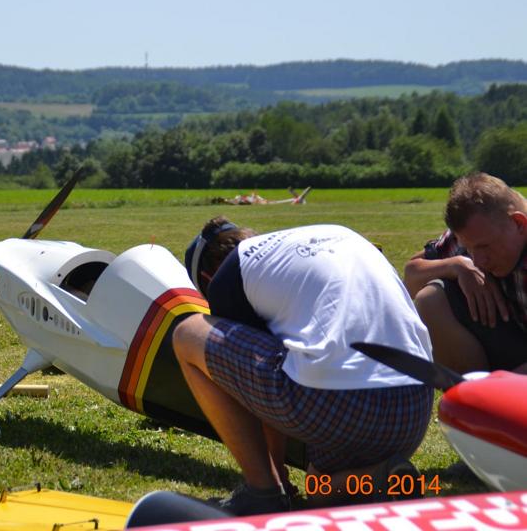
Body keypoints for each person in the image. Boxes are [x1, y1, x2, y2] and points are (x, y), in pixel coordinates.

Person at [172, 219, 433, 515]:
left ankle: (261, 492)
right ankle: (382, 476)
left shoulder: (228, 278)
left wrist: (274, 474)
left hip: (344, 408)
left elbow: (255, 380)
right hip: (414, 412)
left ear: (207, 277)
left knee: (187, 334)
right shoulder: (334, 236)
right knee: (319, 490)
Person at [404, 173, 527, 374]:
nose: (477, 261)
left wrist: (499, 385)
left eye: (485, 247)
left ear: (519, 224)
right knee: (431, 299)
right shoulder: (475, 233)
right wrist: (456, 265)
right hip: (512, 347)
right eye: (469, 249)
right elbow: (411, 278)